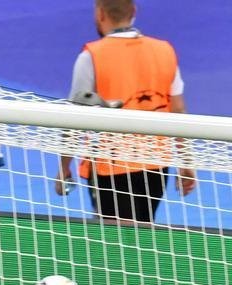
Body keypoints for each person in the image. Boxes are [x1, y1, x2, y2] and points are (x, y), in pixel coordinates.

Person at [54, 0, 196, 223]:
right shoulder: (164, 51)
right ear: (134, 12)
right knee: (143, 228)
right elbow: (178, 110)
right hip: (155, 164)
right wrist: (186, 162)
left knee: (114, 240)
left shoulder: (92, 56)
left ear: (100, 14)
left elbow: (74, 119)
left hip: (109, 166)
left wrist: (63, 168)